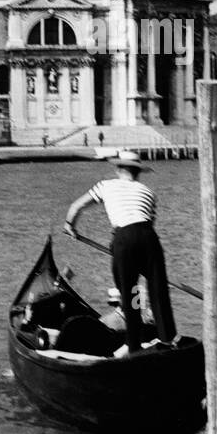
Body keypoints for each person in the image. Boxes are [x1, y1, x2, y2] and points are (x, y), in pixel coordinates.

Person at [64, 150, 177, 355]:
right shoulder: (148, 192)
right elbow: (147, 222)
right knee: (157, 288)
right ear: (138, 172)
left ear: (118, 169)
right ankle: (166, 339)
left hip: (123, 239)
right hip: (149, 237)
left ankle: (133, 345)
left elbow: (76, 206)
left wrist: (69, 225)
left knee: (130, 290)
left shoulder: (106, 185)